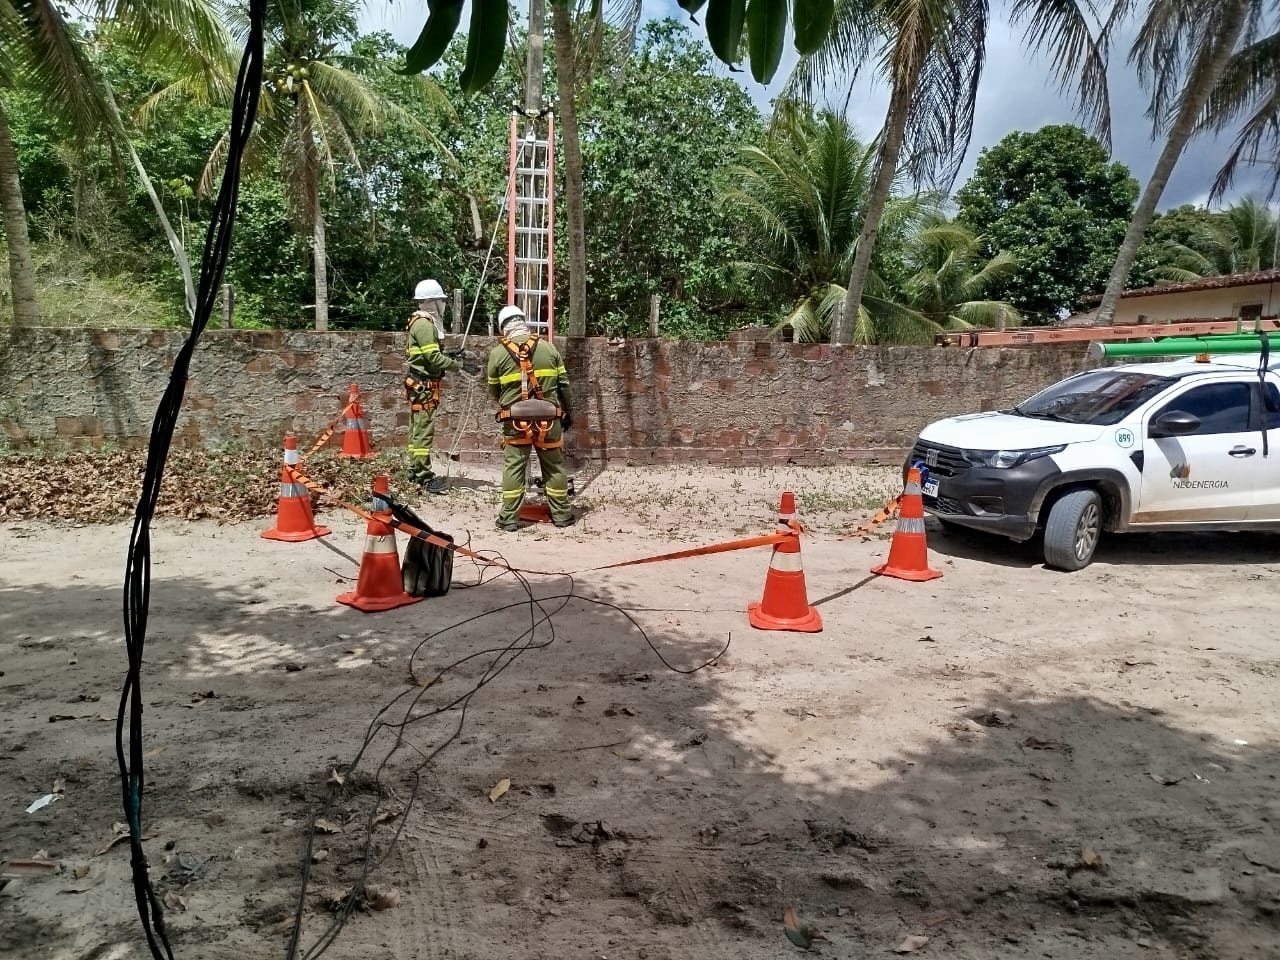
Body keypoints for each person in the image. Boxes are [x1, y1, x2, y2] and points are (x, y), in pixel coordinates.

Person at [486, 304, 574, 530]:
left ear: (502, 326)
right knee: (554, 467)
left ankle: (508, 519)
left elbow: (494, 390)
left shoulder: (497, 354)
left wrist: (509, 406)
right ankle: (562, 516)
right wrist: (568, 412)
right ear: (524, 321)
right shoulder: (549, 349)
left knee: (514, 467)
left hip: (515, 422)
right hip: (550, 420)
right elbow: (564, 386)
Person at [404, 279, 462, 493]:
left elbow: (431, 355)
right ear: (433, 302)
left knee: (416, 430)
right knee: (423, 432)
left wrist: (448, 356)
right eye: (441, 300)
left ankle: (414, 470)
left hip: (420, 384)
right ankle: (424, 476)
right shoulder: (425, 325)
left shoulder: (420, 322)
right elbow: (433, 359)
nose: (443, 304)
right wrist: (457, 365)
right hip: (424, 387)